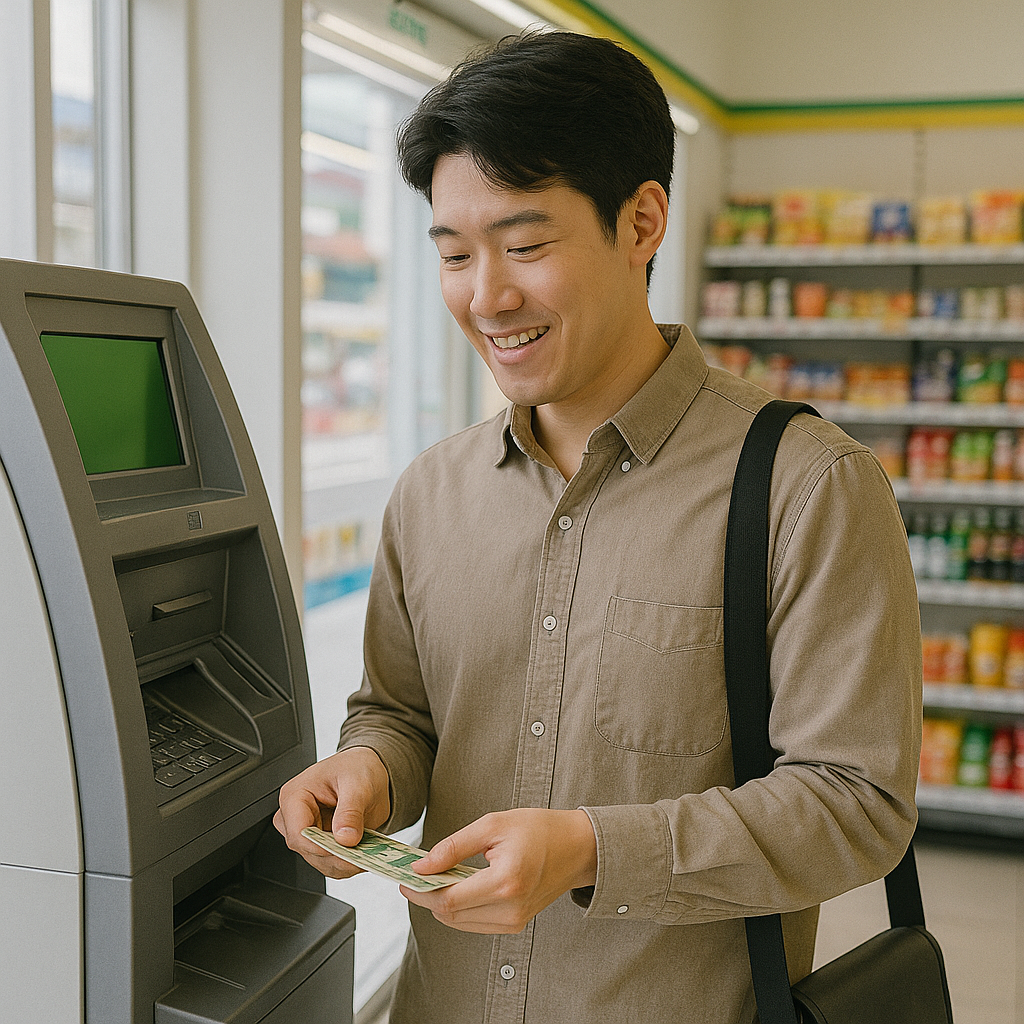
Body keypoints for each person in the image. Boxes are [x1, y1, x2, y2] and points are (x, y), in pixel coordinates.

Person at [275, 30, 922, 1024]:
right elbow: (401, 714)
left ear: (642, 221)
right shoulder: (430, 492)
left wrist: (588, 849)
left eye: (526, 246)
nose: (487, 295)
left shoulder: (809, 485)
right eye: (454, 253)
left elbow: (856, 803)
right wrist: (367, 770)